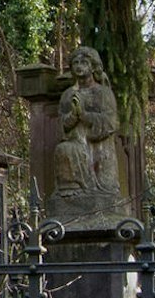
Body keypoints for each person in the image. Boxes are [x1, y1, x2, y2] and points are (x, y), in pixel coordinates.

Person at [52, 45, 124, 216]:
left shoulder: (103, 93)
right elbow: (61, 126)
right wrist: (73, 116)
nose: (79, 66)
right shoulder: (67, 95)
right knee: (63, 149)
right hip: (75, 141)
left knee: (81, 153)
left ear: (93, 66)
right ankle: (72, 190)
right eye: (75, 63)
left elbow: (110, 122)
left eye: (84, 62)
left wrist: (84, 116)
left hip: (98, 148)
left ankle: (92, 190)